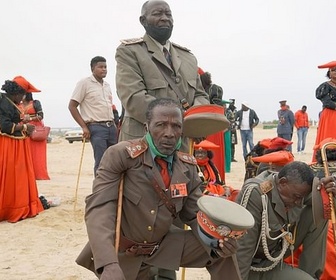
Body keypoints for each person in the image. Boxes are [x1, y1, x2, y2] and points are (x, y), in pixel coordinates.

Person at [76, 98, 241, 280]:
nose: (169, 133)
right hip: (123, 250)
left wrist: (217, 240)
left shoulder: (188, 166)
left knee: (220, 252)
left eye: (176, 126)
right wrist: (108, 263)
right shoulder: (122, 155)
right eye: (161, 125)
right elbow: (99, 209)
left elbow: (195, 215)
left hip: (163, 246)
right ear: (147, 127)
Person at [115, 0, 209, 145]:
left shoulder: (188, 57)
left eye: (168, 14)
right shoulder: (129, 51)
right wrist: (180, 120)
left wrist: (195, 120)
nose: (164, 18)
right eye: (157, 14)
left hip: (181, 144)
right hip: (143, 142)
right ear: (143, 20)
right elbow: (133, 97)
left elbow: (200, 95)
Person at [236, 161, 331, 280]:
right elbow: (243, 248)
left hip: (272, 257)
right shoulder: (256, 193)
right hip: (250, 265)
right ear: (282, 182)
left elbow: (326, 205)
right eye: (296, 197)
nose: (298, 202)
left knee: (318, 212)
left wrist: (326, 191)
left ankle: (310, 275)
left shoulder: (296, 189)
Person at [0, 76, 44, 223]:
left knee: (18, 175)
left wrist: (22, 121)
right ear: (17, 92)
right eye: (23, 94)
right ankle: (13, 208)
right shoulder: (3, 102)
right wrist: (25, 126)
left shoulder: (9, 101)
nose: (23, 97)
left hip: (17, 144)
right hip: (10, 145)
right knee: (13, 176)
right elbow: (5, 125)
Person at [68, 56, 118, 176]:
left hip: (111, 127)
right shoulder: (84, 83)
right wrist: (84, 127)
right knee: (101, 162)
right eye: (100, 67)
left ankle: (112, 190)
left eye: (105, 67)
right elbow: (72, 106)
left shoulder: (107, 86)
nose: (104, 69)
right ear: (92, 68)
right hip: (96, 127)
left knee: (115, 160)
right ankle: (100, 191)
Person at [19, 93, 50, 180]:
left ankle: (38, 173)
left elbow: (41, 116)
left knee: (37, 152)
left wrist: (31, 118)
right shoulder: (18, 104)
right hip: (22, 128)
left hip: (35, 129)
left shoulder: (35, 103)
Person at [313, 60, 336, 161]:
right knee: (329, 137)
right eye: (333, 70)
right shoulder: (325, 86)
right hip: (330, 115)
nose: (335, 72)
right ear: (329, 73)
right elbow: (327, 102)